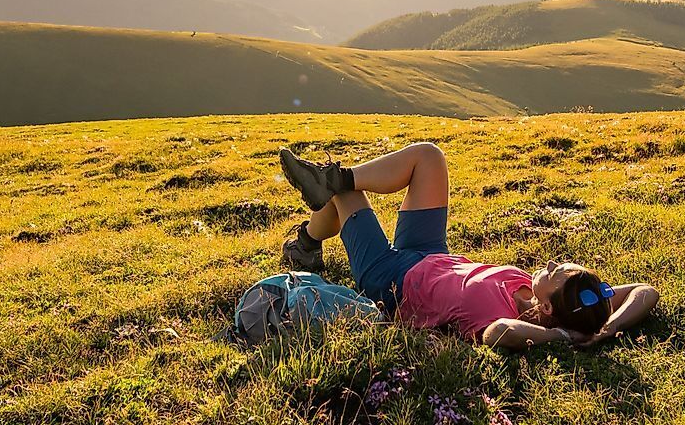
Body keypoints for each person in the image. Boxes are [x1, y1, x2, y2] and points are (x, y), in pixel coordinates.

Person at [277, 141, 659, 350]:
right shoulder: (563, 297)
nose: (556, 263)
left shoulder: (503, 317)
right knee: (429, 158)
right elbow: (647, 291)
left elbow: (500, 335)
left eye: (559, 273)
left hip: (390, 280)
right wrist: (607, 328)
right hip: (430, 252)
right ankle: (332, 180)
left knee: (347, 197)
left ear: (547, 307)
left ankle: (308, 239)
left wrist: (560, 336)